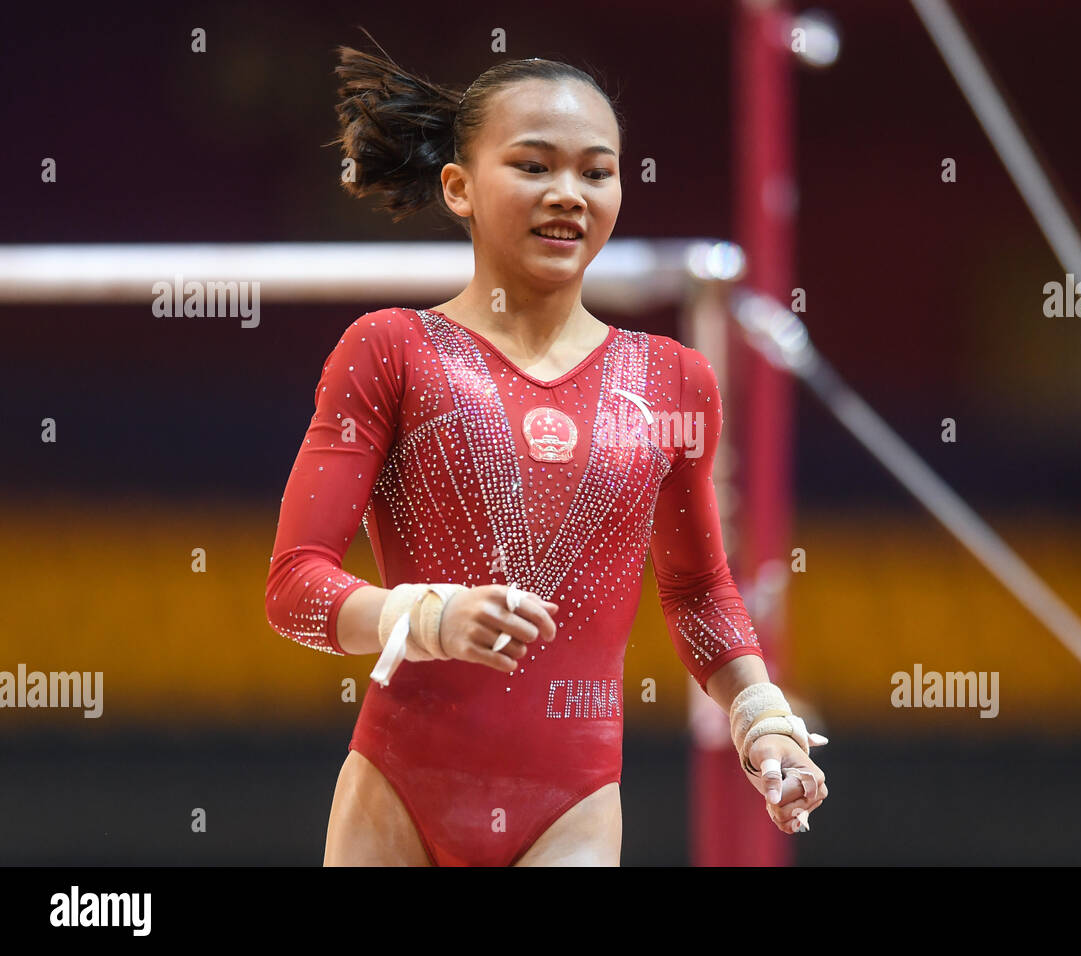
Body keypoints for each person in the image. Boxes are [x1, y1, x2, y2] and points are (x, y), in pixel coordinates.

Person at [264, 33, 827, 866]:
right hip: (398, 792)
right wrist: (427, 617)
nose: (568, 193)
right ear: (458, 186)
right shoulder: (390, 351)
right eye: (533, 166)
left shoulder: (673, 380)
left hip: (573, 803)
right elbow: (294, 590)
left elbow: (698, 588)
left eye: (596, 172)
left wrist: (761, 719)